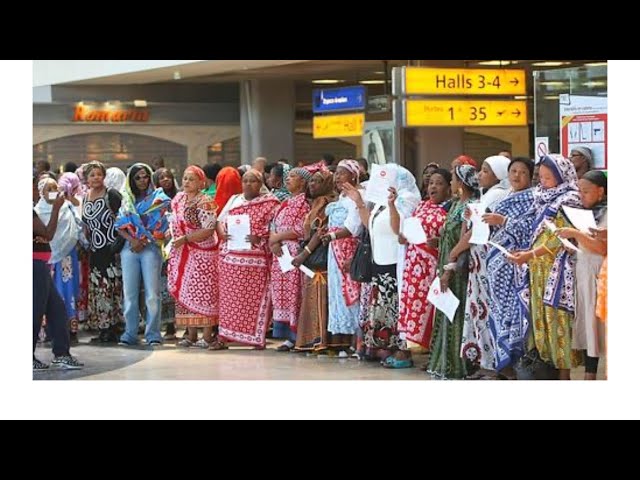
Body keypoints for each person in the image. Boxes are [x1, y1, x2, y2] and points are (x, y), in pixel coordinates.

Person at [509, 154, 583, 380]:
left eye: (548, 177)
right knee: (541, 319)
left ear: (561, 176)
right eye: (540, 177)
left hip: (558, 271)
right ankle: (547, 369)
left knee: (559, 320)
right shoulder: (540, 198)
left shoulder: (570, 199)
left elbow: (558, 240)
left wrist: (530, 254)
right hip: (538, 269)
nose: (543, 182)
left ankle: (564, 374)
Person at [459, 155, 511, 378]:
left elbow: (478, 229)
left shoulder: (498, 194)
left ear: (498, 175)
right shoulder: (486, 195)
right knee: (479, 311)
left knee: (488, 311)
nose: (480, 174)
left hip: (488, 261)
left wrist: (454, 252)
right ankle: (484, 362)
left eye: (486, 170)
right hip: (478, 261)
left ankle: (493, 364)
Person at [216, 169, 280, 349]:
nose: (248, 184)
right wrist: (223, 234)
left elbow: (275, 227)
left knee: (253, 302)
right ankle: (224, 337)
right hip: (231, 260)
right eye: (245, 181)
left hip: (256, 262)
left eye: (253, 181)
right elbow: (220, 221)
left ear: (261, 184)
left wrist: (260, 237)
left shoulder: (271, 203)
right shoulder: (235, 200)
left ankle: (256, 339)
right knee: (230, 302)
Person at [427, 164, 479, 379]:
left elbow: (465, 239)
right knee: (446, 313)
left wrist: (449, 267)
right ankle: (443, 362)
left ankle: (458, 365)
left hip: (458, 267)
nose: (451, 183)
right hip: (447, 263)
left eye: (454, 179)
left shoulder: (471, 206)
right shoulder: (456, 204)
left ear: (462, 182)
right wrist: (438, 241)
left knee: (457, 313)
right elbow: (450, 235)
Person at [394, 168, 451, 366]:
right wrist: (403, 237)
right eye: (431, 183)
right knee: (415, 309)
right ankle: (418, 351)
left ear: (449, 188)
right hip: (413, 266)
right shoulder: (420, 206)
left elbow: (452, 236)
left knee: (434, 310)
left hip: (433, 267)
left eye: (439, 183)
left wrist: (440, 241)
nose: (433, 186)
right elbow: (408, 230)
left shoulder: (449, 208)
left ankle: (434, 356)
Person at [485, 157, 535, 375]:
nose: (516, 176)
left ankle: (515, 362)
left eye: (522, 172)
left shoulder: (533, 199)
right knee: (498, 312)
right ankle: (502, 362)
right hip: (496, 266)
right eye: (513, 171)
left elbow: (530, 228)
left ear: (531, 176)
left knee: (514, 313)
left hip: (516, 265)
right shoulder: (506, 196)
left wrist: (504, 221)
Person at [556, 170, 607, 379]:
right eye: (579, 191)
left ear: (601, 192)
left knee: (601, 324)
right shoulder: (584, 212)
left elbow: (601, 248)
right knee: (588, 325)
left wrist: (576, 234)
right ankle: (589, 374)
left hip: (601, 275)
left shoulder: (608, 213)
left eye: (586, 191)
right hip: (584, 272)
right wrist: (572, 243)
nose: (581, 196)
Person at [115, 164, 170, 347]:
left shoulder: (158, 198)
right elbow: (120, 225)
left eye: (145, 176)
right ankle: (130, 333)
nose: (142, 180)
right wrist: (133, 240)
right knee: (129, 294)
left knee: (152, 294)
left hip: (151, 248)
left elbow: (162, 225)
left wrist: (143, 241)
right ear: (131, 179)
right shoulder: (126, 199)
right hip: (130, 248)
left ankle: (153, 333)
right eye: (137, 177)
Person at [33, 174, 84, 370]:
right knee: (36, 311)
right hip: (35, 265)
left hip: (41, 265)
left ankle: (61, 354)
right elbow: (48, 234)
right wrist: (55, 208)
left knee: (57, 309)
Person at [168, 166, 220, 348]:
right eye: (184, 178)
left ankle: (206, 337)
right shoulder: (179, 199)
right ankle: (190, 335)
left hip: (203, 255)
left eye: (191, 179)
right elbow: (174, 220)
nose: (186, 182)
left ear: (201, 183)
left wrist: (186, 238)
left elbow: (209, 229)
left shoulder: (205, 201)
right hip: (183, 252)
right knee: (185, 293)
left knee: (204, 294)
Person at [291, 164, 336, 352]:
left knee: (320, 298)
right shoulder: (316, 203)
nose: (312, 184)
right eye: (311, 181)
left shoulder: (326, 204)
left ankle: (321, 340)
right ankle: (310, 340)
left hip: (318, 259)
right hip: (310, 259)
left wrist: (304, 254)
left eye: (317, 181)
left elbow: (319, 232)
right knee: (311, 298)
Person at [321, 159, 364, 355]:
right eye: (336, 173)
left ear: (353, 176)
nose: (337, 177)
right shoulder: (339, 198)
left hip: (349, 250)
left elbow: (354, 228)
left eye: (342, 173)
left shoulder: (358, 197)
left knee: (352, 295)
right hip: (334, 251)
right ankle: (343, 341)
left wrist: (331, 236)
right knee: (338, 295)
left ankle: (358, 341)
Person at [269, 167, 312, 351]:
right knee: (282, 295)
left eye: (293, 177)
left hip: (294, 253)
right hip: (279, 254)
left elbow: (302, 229)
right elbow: (273, 224)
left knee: (295, 293)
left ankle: (298, 336)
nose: (288, 179)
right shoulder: (285, 202)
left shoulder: (306, 203)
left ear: (302, 182)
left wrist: (278, 238)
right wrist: (274, 242)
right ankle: (287, 336)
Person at [82, 162, 124, 343]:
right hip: (94, 250)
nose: (96, 178)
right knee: (98, 288)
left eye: (99, 174)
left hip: (111, 249)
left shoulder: (111, 195)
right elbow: (85, 224)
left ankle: (114, 326)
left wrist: (119, 244)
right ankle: (102, 326)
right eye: (92, 175)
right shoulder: (85, 197)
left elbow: (123, 219)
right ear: (86, 178)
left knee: (111, 287)